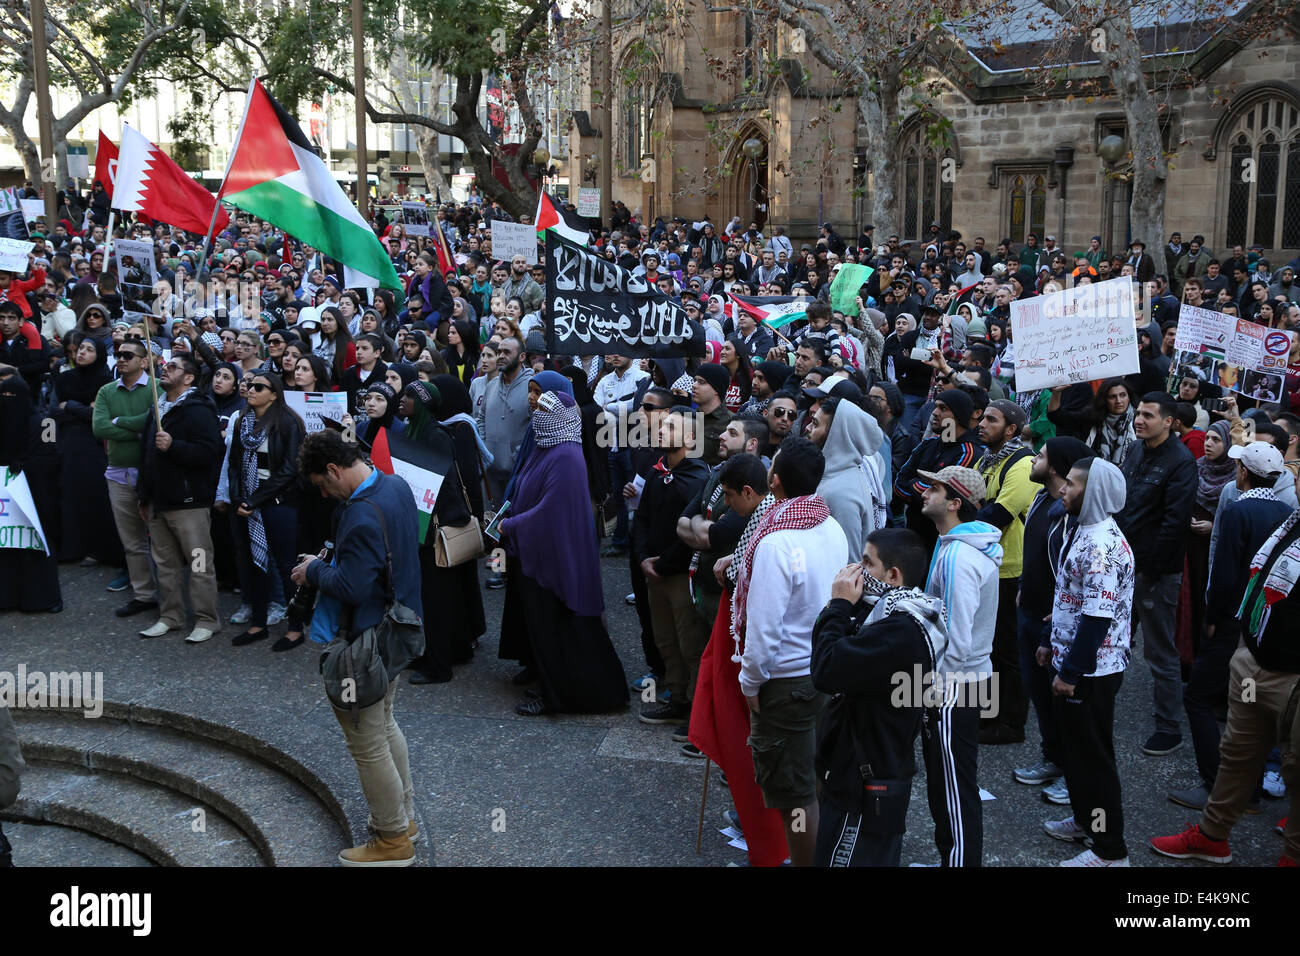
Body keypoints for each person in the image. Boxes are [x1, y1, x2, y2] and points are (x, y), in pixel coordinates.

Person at [1150, 451, 1300, 867]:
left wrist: (1217, 621)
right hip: (1254, 657)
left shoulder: (1252, 510)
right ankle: (1213, 835)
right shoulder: (1290, 518)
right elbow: (1254, 578)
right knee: (1238, 751)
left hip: (1289, 675)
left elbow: (1227, 572)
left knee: (1297, 770)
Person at [292, 430, 421, 866]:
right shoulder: (395, 484)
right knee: (385, 726)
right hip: (396, 631)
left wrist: (313, 572)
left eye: (322, 484)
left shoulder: (361, 515)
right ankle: (405, 819)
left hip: (366, 642)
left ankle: (392, 841)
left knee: (367, 742)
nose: (325, 494)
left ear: (333, 469)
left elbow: (352, 585)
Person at [735, 436, 848, 866]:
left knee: (794, 793)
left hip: (786, 681)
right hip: (823, 671)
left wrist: (750, 682)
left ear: (775, 481)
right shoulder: (829, 524)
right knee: (810, 780)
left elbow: (763, 633)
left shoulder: (776, 542)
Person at [811, 528, 948, 866]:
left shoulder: (901, 632)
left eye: (867, 563)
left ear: (893, 574)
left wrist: (839, 605)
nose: (856, 571)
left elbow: (826, 669)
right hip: (859, 771)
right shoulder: (884, 614)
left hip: (864, 783)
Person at [1170, 441, 1292, 811]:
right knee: (1249, 702)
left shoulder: (1239, 511)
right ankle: (1250, 790)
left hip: (1230, 625)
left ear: (1243, 472)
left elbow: (1223, 575)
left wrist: (1211, 619)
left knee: (1198, 697)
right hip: (1261, 628)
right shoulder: (1287, 511)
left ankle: (1214, 783)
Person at [497, 388, 628, 715]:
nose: (537, 415)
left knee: (557, 630)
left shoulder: (566, 456)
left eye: (545, 410)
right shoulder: (547, 448)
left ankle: (557, 696)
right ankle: (551, 687)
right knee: (544, 629)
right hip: (540, 553)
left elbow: (550, 511)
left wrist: (511, 526)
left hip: (556, 560)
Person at [1039, 457, 1135, 866]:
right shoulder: (1083, 529)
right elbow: (1069, 599)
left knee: (1092, 760)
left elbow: (1097, 617)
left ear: (1092, 492)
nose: (1063, 489)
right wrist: (1049, 639)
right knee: (1077, 754)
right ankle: (1085, 821)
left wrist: (1071, 672)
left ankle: (1110, 852)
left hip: (1090, 672)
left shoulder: (1101, 545)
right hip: (1072, 662)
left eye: (1073, 485)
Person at [919, 465, 1003, 866]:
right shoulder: (957, 547)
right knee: (948, 781)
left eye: (933, 488)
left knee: (953, 785)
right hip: (966, 680)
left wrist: (933, 692)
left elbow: (956, 636)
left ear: (954, 503)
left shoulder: (957, 557)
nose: (924, 491)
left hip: (956, 684)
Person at [1115, 392, 1198, 756]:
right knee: (1114, 638)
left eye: (1148, 415)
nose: (1139, 420)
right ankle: (1097, 700)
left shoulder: (1181, 463)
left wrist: (1148, 570)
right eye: (1138, 414)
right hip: (1123, 564)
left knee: (1160, 654)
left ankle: (1169, 728)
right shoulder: (1135, 450)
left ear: (1169, 422)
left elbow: (1174, 524)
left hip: (1154, 573)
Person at [402, 378, 487, 684]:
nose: (402, 399)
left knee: (436, 600)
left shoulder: (434, 435)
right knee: (442, 597)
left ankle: (439, 666)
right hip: (424, 526)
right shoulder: (416, 431)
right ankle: (455, 650)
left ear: (423, 403)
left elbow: (445, 484)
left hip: (435, 530)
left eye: (409, 395)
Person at [136, 355, 224, 644]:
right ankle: (170, 616)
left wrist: (175, 446)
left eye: (173, 367)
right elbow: (146, 455)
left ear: (188, 378)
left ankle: (206, 619)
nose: (165, 368)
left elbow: (210, 452)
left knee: (198, 563)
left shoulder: (199, 410)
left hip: (189, 502)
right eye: (166, 365)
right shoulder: (158, 406)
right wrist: (143, 494)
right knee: (165, 563)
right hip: (159, 500)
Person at [636, 408, 713, 733]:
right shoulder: (656, 471)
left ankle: (696, 710)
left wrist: (663, 564)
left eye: (671, 426)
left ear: (691, 438)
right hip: (654, 572)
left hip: (679, 575)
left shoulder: (697, 478)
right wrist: (642, 556)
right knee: (665, 640)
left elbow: (691, 536)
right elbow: (641, 518)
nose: (662, 429)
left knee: (689, 644)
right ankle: (677, 698)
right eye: (663, 424)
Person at [222, 370, 308, 651]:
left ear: (274, 393)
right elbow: (234, 463)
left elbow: (289, 470)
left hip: (277, 505)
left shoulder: (287, 422)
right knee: (251, 563)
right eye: (249, 385)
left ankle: (295, 628)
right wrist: (238, 499)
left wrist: (255, 500)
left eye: (260, 387)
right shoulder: (242, 421)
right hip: (247, 504)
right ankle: (258, 623)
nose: (251, 390)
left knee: (286, 566)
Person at [974, 400, 1040, 745]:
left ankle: (1011, 723)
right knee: (988, 646)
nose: (982, 423)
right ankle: (989, 714)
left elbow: (996, 515)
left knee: (1007, 651)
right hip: (989, 566)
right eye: (983, 417)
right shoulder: (988, 460)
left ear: (1011, 429)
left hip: (1011, 570)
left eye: (991, 419)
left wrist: (964, 520)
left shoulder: (1023, 463)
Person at [92, 338, 160, 616]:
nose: (121, 359)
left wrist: (119, 423)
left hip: (151, 474)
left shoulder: (156, 389)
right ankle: (144, 595)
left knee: (161, 539)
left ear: (144, 361)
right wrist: (138, 429)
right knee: (132, 540)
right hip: (117, 473)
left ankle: (169, 597)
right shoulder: (106, 391)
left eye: (128, 355)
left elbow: (154, 422)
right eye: (118, 354)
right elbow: (99, 428)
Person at [49, 335, 121, 566]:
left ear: (99, 354)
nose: (82, 353)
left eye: (89, 350)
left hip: (93, 445)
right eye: (81, 348)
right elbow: (52, 412)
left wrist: (70, 406)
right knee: (68, 493)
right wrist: (82, 410)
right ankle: (71, 548)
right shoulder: (65, 378)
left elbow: (99, 416)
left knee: (93, 495)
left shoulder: (105, 381)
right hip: (67, 441)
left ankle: (98, 549)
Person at [893, 388, 983, 552]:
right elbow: (899, 484)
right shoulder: (930, 443)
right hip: (914, 532)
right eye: (936, 406)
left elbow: (946, 496)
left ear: (958, 415)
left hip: (939, 541)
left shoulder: (968, 452)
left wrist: (914, 485)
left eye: (943, 409)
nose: (934, 413)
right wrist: (923, 492)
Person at [806, 384, 885, 563]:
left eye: (816, 424)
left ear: (836, 433)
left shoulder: (842, 492)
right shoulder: (833, 476)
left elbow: (849, 561)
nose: (808, 428)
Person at [593, 353, 649, 556]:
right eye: (612, 351)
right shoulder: (605, 381)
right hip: (611, 446)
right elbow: (597, 410)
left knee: (637, 496)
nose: (615, 355)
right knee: (618, 497)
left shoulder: (642, 378)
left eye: (621, 350)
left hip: (634, 445)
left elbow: (637, 409)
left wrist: (612, 407)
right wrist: (618, 409)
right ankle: (620, 539)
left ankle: (637, 542)